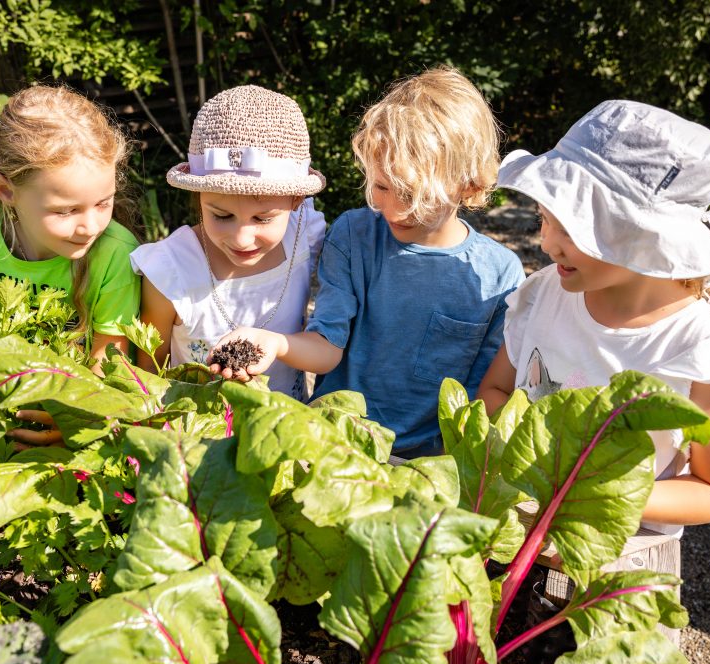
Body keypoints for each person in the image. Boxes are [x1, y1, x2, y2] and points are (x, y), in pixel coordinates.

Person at [477, 100, 710, 533]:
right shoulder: (544, 292)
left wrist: (590, 490)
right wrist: (530, 462)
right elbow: (493, 389)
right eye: (544, 220)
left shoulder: (706, 354)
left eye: (571, 228)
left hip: (619, 561)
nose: (548, 244)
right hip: (514, 524)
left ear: (641, 236)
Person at [209, 66, 525, 457]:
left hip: (429, 463)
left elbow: (481, 397)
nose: (389, 207)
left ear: (470, 185)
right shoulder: (354, 237)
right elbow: (328, 346)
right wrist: (273, 342)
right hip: (338, 446)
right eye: (380, 186)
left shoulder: (498, 274)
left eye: (411, 194)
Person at [130, 85, 327, 399]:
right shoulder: (170, 271)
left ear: (295, 201)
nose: (242, 237)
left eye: (262, 219)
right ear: (199, 197)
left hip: (288, 428)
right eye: (221, 216)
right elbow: (149, 376)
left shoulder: (304, 234)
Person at [0, 84, 140, 370]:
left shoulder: (115, 255)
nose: (90, 227)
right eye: (65, 211)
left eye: (103, 203)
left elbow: (107, 368)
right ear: (6, 190)